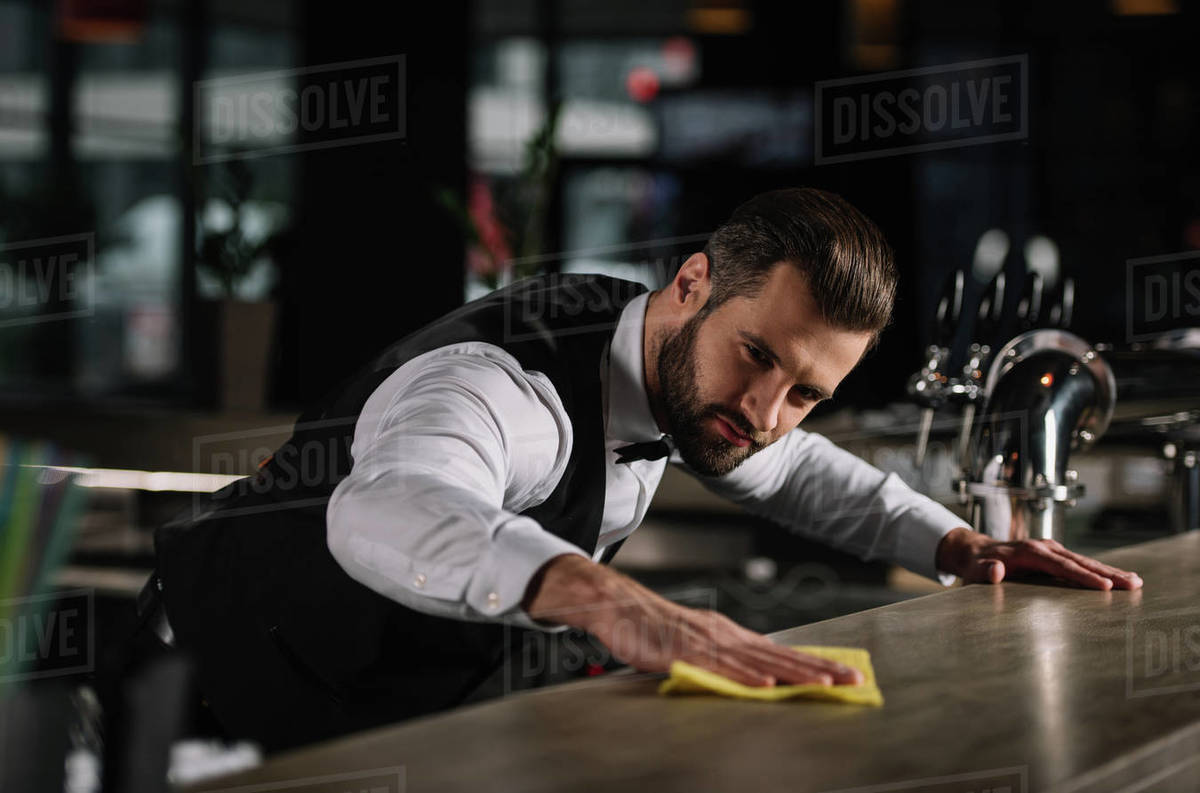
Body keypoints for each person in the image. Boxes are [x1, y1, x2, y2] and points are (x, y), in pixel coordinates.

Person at [145, 187, 1142, 753]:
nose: (765, 415)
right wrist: (610, 600)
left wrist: (959, 545)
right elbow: (389, 507)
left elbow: (795, 472)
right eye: (757, 357)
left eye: (805, 393)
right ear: (694, 283)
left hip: (377, 710)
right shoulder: (502, 387)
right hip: (207, 698)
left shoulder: (679, 372)